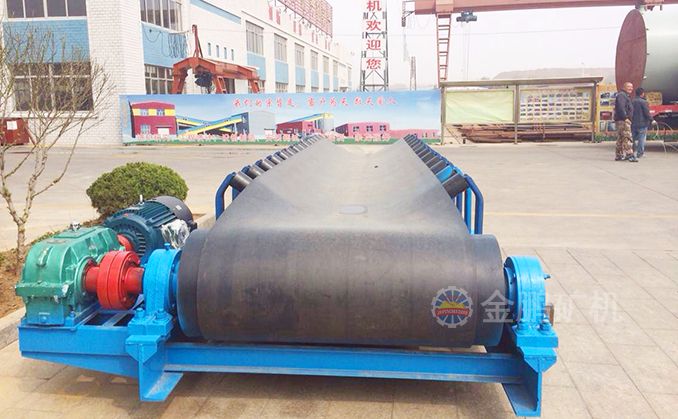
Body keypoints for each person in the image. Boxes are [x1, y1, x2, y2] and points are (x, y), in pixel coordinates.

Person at [613, 82, 638, 162]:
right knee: (627, 137)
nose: (631, 88)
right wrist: (625, 118)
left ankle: (619, 155)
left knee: (620, 138)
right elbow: (621, 107)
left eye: (632, 87)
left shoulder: (624, 95)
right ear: (624, 87)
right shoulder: (622, 95)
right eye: (629, 87)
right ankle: (629, 155)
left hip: (620, 120)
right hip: (623, 120)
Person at [631, 87, 652, 158]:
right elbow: (647, 113)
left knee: (632, 139)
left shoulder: (632, 101)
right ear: (642, 94)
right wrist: (652, 120)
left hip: (633, 123)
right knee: (641, 139)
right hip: (642, 124)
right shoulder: (644, 102)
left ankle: (631, 152)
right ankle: (640, 153)